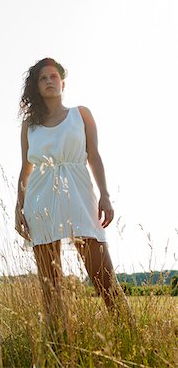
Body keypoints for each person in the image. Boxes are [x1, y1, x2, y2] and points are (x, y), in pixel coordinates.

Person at [15, 57, 133, 330]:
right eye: (42, 78)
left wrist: (105, 194)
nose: (48, 81)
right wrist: (18, 208)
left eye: (53, 76)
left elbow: (94, 156)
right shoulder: (29, 126)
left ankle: (129, 334)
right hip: (40, 200)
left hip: (79, 195)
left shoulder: (81, 114)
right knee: (51, 290)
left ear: (62, 82)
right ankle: (59, 347)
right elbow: (25, 169)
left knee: (104, 278)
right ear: (36, 86)